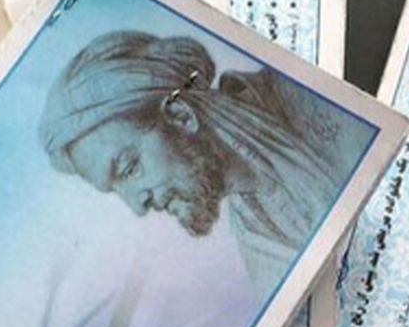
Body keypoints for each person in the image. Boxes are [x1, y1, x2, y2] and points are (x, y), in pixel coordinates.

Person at [38, 30, 366, 296]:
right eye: (116, 190)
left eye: (129, 169)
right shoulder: (258, 247)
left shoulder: (312, 98)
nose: (138, 206)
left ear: (180, 116)